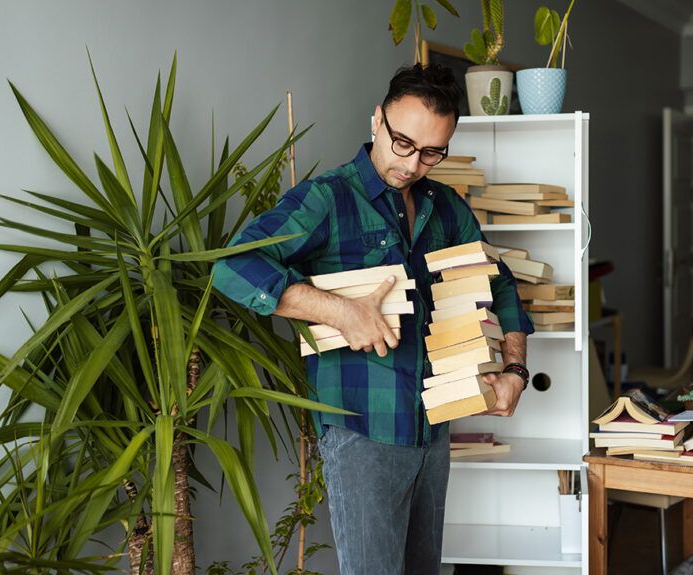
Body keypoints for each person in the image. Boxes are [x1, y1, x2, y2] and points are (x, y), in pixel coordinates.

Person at [212, 63, 533, 574]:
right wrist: (336, 310)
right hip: (361, 431)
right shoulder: (327, 199)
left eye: (432, 152)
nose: (412, 164)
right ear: (376, 122)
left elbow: (500, 283)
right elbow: (231, 266)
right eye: (403, 143)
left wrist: (515, 368)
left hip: (434, 428)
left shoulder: (446, 206)